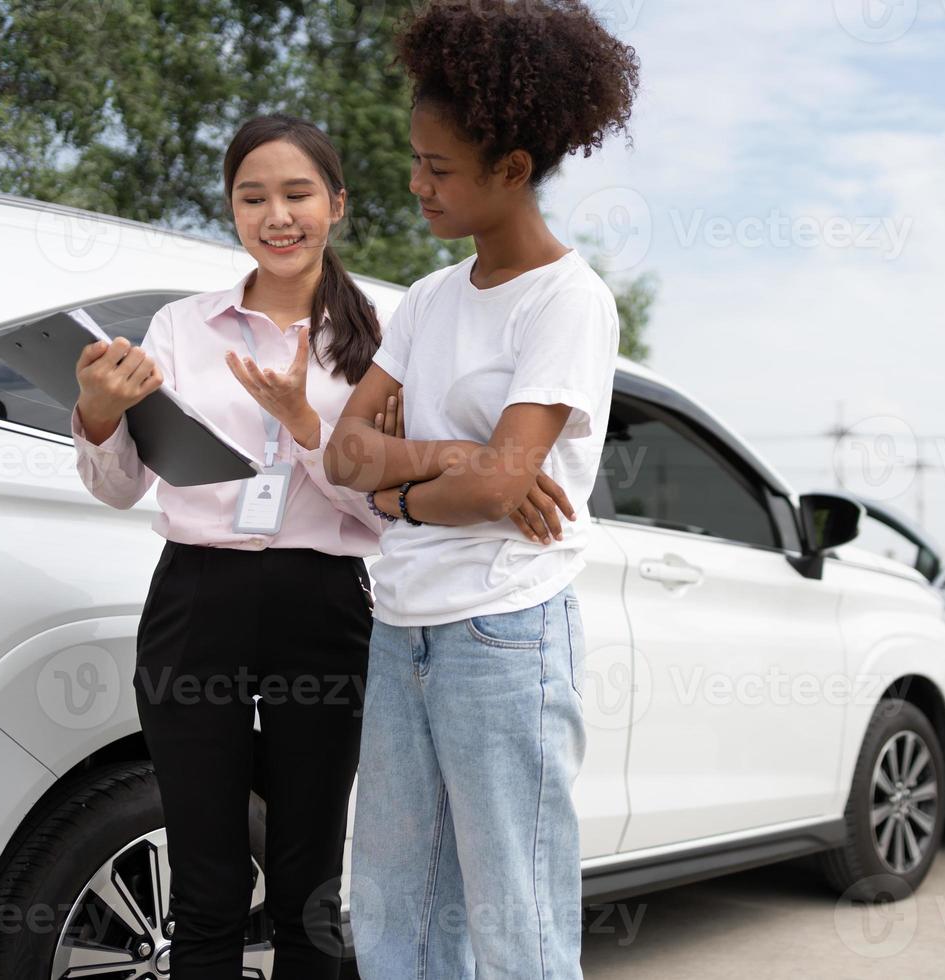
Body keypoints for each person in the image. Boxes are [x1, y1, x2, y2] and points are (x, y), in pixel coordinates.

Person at [323, 2, 639, 976]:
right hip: (403, 613)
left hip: (505, 625)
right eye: (416, 160)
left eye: (439, 167)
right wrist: (458, 466)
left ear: (510, 170)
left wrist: (403, 482)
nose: (418, 183)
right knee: (394, 907)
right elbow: (341, 453)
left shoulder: (568, 301)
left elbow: (503, 476)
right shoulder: (426, 300)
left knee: (514, 916)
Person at [72, 114, 390, 978]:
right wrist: (100, 416)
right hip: (195, 599)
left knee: (307, 884)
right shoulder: (182, 327)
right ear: (232, 210)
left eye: (297, 194)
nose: (276, 215)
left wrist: (305, 425)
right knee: (206, 882)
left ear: (337, 204)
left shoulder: (379, 347)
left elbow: (389, 509)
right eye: (254, 197)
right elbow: (119, 488)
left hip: (322, 604)